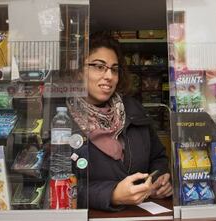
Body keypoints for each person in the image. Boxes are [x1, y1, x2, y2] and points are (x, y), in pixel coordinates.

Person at [67, 32, 172, 211]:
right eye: (99, 67)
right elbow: (55, 185)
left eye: (114, 69)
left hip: (142, 214)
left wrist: (158, 180)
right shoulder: (62, 121)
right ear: (78, 72)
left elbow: (158, 157)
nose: (109, 76)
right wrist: (112, 195)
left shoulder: (133, 109)